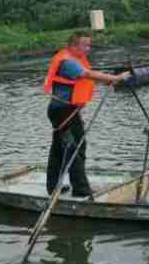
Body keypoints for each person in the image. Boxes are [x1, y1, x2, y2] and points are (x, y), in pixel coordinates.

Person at [43, 31, 132, 197]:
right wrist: (116, 77)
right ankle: (81, 190)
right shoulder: (67, 62)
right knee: (74, 148)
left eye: (89, 45)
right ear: (73, 46)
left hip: (65, 111)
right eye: (85, 45)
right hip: (63, 113)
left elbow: (86, 78)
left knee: (61, 148)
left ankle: (53, 186)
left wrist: (107, 81)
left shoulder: (74, 59)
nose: (88, 48)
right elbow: (88, 74)